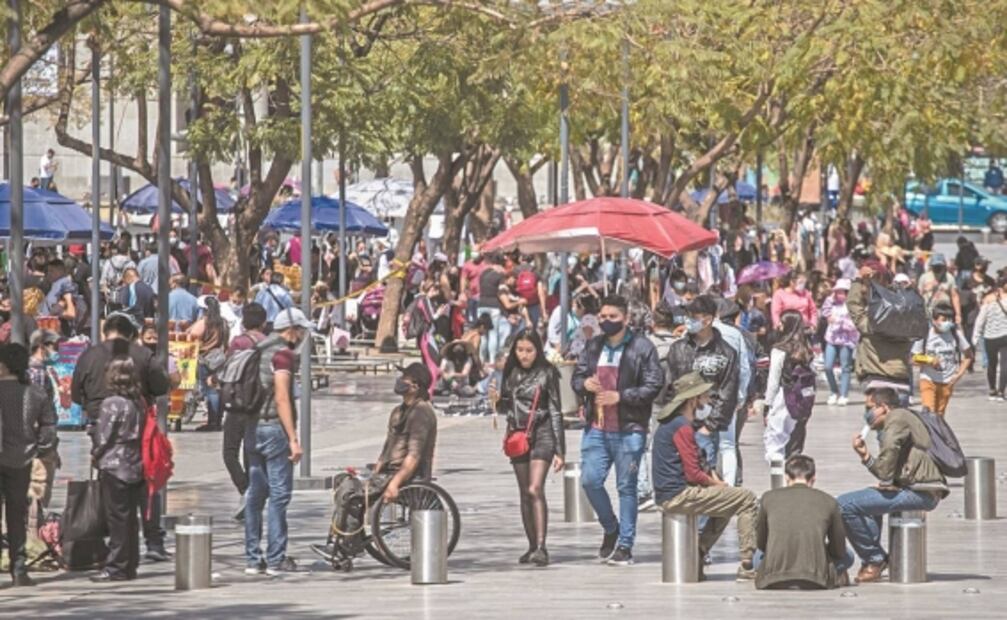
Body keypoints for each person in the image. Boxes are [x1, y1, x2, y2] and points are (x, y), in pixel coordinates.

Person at [571, 294, 664, 566]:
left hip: (629, 428)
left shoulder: (642, 347)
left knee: (627, 487)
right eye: (603, 317)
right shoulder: (593, 346)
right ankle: (610, 526)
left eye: (612, 317)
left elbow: (653, 385)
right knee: (589, 480)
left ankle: (625, 543)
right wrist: (583, 384)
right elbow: (577, 376)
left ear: (626, 318)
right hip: (596, 427)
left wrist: (620, 396)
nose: (606, 321)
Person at [71, 312, 171, 562]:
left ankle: (114, 543)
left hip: (100, 427)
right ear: (130, 334)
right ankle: (153, 540)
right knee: (146, 484)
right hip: (139, 424)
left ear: (106, 333)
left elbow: (75, 394)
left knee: (112, 486)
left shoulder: (89, 356)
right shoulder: (142, 355)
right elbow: (161, 386)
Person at [652, 372, 757, 581]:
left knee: (729, 501)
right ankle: (748, 563)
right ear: (693, 399)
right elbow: (693, 472)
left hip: (672, 492)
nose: (708, 398)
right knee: (747, 499)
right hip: (678, 494)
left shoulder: (676, 424)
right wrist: (716, 483)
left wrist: (716, 482)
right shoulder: (681, 427)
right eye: (704, 395)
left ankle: (699, 549)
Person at [837, 387, 948, 583]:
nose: (867, 414)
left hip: (921, 491)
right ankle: (873, 560)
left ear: (883, 407)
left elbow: (885, 466)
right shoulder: (901, 418)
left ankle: (874, 559)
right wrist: (866, 457)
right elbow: (885, 474)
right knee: (867, 504)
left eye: (869, 408)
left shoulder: (896, 419)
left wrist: (872, 464)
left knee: (843, 505)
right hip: (918, 487)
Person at [244, 307, 309, 576]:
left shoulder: (260, 348)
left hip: (251, 429)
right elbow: (282, 397)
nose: (304, 336)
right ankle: (275, 558)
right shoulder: (283, 354)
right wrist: (293, 438)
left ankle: (252, 559)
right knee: (280, 496)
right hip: (273, 429)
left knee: (255, 494)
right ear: (291, 330)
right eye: (302, 330)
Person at [494, 330, 564, 567]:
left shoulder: (547, 373)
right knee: (524, 491)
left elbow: (555, 410)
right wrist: (497, 401)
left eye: (529, 350)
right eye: (520, 350)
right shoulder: (511, 373)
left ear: (538, 350)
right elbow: (507, 407)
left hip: (542, 432)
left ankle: (542, 547)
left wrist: (560, 450)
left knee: (535, 488)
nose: (524, 355)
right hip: (518, 434)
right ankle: (532, 545)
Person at [0, 343, 57, 587]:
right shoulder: (35, 393)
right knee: (16, 514)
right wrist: (41, 449)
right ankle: (19, 567)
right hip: (20, 459)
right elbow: (48, 426)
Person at [665, 295, 740, 476]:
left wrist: (709, 427)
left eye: (693, 317)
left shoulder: (726, 353)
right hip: (680, 424)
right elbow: (670, 386)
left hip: (706, 426)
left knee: (704, 474)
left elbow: (728, 392)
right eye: (687, 316)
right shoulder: (678, 348)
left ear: (707, 319)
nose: (688, 321)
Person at [755, 455, 851, 589]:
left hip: (773, 578)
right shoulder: (829, 501)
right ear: (813, 478)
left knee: (757, 557)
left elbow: (761, 542)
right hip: (816, 579)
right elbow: (839, 550)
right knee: (849, 556)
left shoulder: (768, 498)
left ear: (787, 477)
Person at [89, 357, 146, 582]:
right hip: (135, 462)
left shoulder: (112, 403)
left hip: (114, 464)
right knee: (130, 517)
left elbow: (104, 436)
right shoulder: (138, 402)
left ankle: (116, 566)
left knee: (117, 518)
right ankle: (130, 563)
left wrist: (95, 452)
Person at [223, 303, 268, 520]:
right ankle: (252, 492)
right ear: (264, 322)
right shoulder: (269, 344)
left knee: (229, 451)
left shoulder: (238, 342)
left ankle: (245, 489)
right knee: (251, 452)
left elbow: (228, 370)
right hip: (259, 406)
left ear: (243, 322)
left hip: (236, 404)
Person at [373, 362, 439, 497]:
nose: (400, 380)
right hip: (389, 470)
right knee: (347, 485)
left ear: (415, 386)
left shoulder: (421, 413)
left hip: (409, 476)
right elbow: (387, 449)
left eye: (405, 378)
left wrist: (394, 484)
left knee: (351, 493)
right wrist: (374, 474)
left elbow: (414, 456)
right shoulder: (398, 412)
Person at [763, 310, 815, 461]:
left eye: (782, 322)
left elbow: (773, 381)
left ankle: (778, 483)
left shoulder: (779, 349)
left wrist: (767, 406)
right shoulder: (806, 349)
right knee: (795, 446)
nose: (778, 325)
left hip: (783, 399)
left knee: (775, 447)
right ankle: (794, 480)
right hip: (802, 401)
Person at [911, 303, 972, 415]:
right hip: (928, 379)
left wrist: (959, 374)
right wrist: (928, 360)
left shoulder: (955, 334)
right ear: (934, 320)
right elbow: (913, 358)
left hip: (947, 381)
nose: (947, 323)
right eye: (943, 320)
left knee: (939, 414)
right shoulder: (925, 335)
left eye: (950, 320)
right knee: (929, 412)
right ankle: (929, 432)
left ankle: (937, 432)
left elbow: (968, 356)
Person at [27, 330, 61, 509]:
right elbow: (38, 411)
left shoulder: (35, 370)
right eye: (53, 347)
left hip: (37, 440)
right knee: (39, 487)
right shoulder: (37, 372)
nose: (56, 352)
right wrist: (47, 444)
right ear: (42, 347)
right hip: (39, 442)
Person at [189, 296, 230, 431]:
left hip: (206, 359)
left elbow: (191, 335)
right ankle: (217, 419)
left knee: (210, 391)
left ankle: (212, 422)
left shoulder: (205, 322)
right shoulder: (223, 322)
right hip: (220, 359)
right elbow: (226, 340)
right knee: (217, 389)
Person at [821, 278, 858, 406]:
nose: (838, 294)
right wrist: (830, 316)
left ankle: (843, 394)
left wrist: (841, 322)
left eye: (841, 292)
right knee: (827, 366)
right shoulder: (832, 303)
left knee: (845, 367)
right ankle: (833, 391)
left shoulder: (853, 305)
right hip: (832, 337)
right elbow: (825, 311)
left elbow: (855, 323)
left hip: (846, 340)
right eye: (837, 292)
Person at [973, 275, 1007, 400]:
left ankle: (994, 390)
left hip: (991, 336)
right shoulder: (991, 299)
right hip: (999, 336)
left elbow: (981, 319)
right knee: (1003, 364)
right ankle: (1000, 392)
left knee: (993, 364)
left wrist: (976, 335)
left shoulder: (988, 299)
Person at [476, 254, 506, 363]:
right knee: (493, 333)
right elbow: (502, 290)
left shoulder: (483, 274)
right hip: (494, 305)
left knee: (483, 334)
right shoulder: (500, 275)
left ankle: (481, 359)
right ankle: (492, 360)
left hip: (481, 304)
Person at [917, 253, 961, 324]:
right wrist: (926, 289)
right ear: (931, 266)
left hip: (945, 313)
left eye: (939, 266)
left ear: (944, 266)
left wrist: (958, 314)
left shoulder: (949, 278)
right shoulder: (924, 277)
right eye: (935, 266)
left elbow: (954, 296)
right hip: (929, 313)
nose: (937, 268)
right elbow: (918, 295)